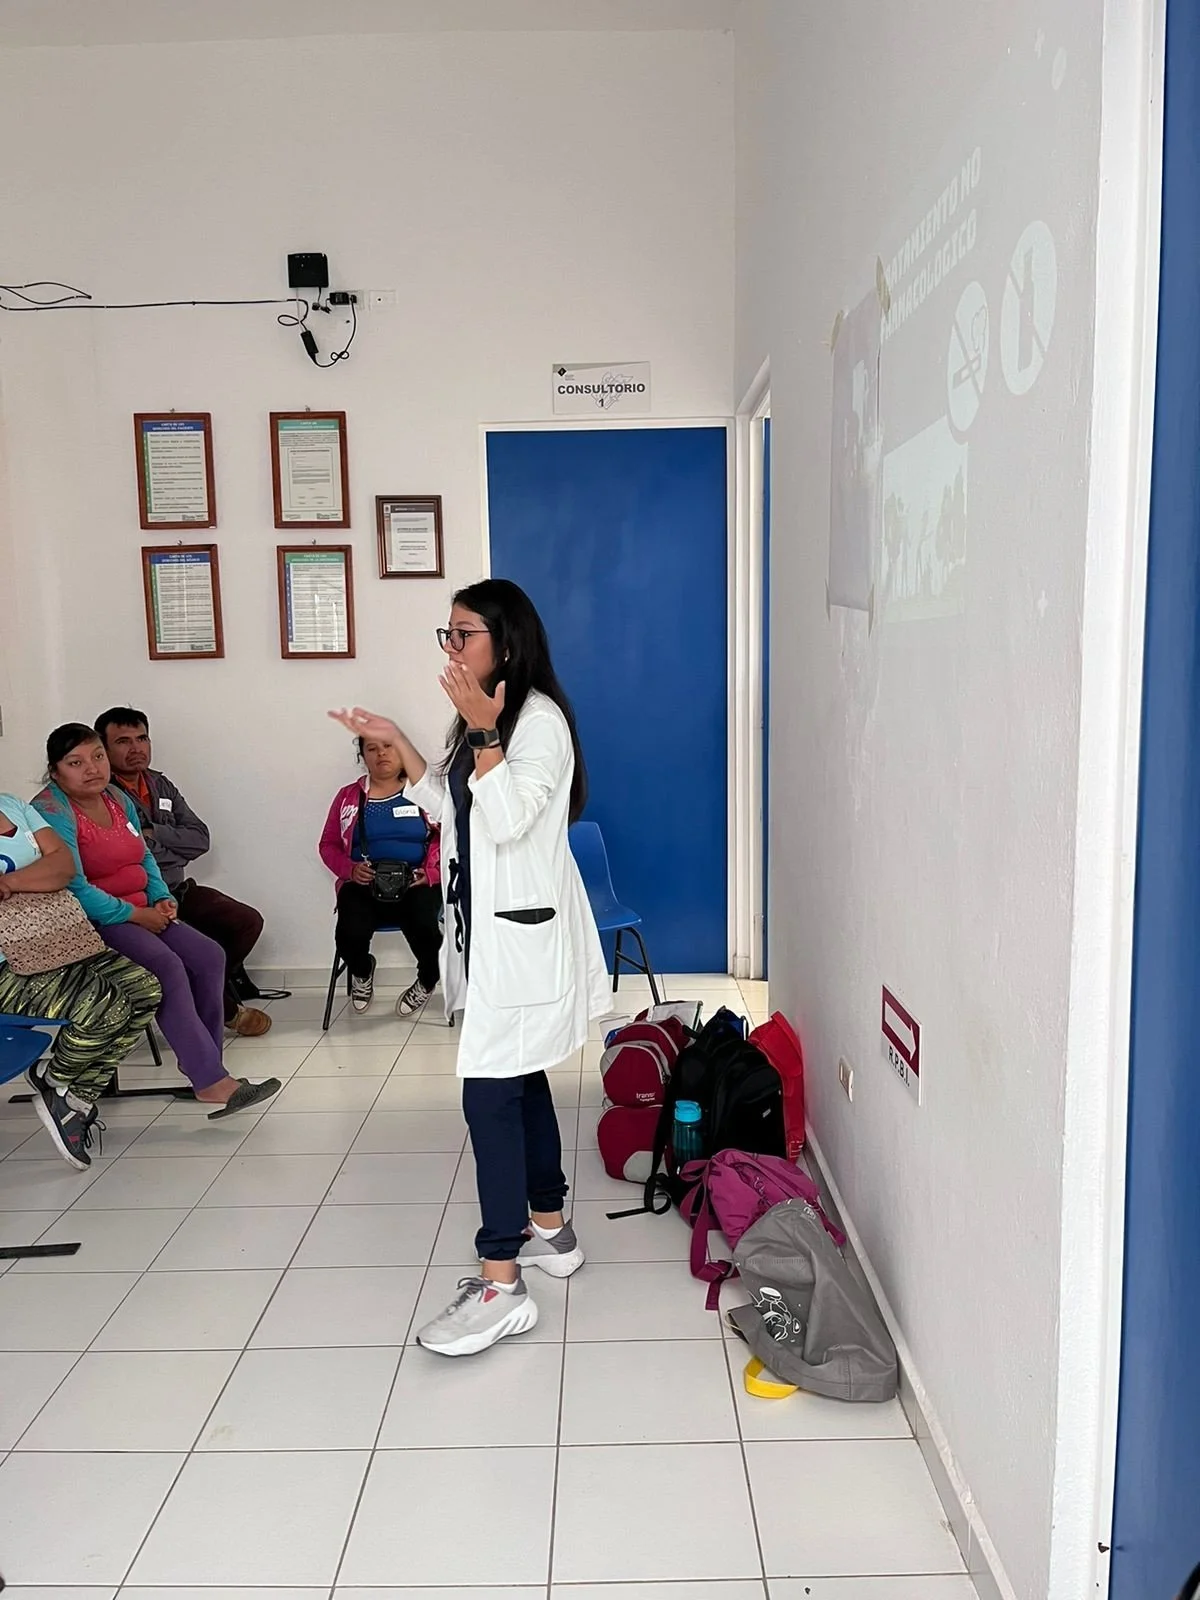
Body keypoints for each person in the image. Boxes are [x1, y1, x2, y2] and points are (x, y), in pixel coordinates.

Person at [330, 578, 610, 1357]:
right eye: (445, 634)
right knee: (518, 1082)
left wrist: (486, 735)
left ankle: (501, 1284)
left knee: (489, 1099)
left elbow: (513, 818)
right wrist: (402, 738)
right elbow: (452, 808)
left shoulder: (536, 721)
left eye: (464, 634)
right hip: (484, 937)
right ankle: (551, 1233)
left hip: (520, 943)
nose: (450, 648)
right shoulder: (482, 717)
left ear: (507, 644)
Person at [32, 725, 280, 1117]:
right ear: (56, 770)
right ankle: (210, 1079)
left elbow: (144, 857)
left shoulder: (116, 796)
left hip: (142, 907)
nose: (92, 769)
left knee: (209, 956)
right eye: (75, 763)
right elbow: (75, 887)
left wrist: (162, 897)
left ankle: (205, 1067)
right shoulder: (52, 811)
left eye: (97, 757)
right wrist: (135, 914)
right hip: (95, 920)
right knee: (166, 965)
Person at [0, 791, 162, 1167]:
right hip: (6, 966)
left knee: (145, 990)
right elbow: (49, 868)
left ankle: (70, 1095)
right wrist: (36, 876)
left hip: (55, 940)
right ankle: (58, 1084)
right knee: (108, 1007)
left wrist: (8, 883)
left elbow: (63, 868)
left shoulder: (13, 805)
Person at [95, 707, 273, 1038]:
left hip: (178, 888)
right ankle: (226, 1010)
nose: (136, 749)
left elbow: (200, 839)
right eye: (123, 741)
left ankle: (208, 993)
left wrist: (155, 834)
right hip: (140, 900)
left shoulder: (160, 784)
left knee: (245, 921)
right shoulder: (101, 796)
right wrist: (164, 845)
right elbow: (135, 855)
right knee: (191, 947)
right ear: (102, 750)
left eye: (142, 738)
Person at [318, 734, 442, 1016]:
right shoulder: (348, 796)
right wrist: (349, 870)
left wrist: (431, 873)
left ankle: (427, 980)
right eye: (371, 749)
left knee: (427, 929)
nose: (381, 754)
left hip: (416, 883)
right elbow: (328, 844)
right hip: (364, 884)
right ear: (362, 756)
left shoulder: (424, 794)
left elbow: (447, 838)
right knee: (349, 932)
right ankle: (362, 973)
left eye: (388, 747)